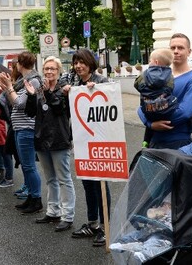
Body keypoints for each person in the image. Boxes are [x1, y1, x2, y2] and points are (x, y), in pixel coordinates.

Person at [64, 49, 110, 247]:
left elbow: (110, 107)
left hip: (100, 140)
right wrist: (66, 94)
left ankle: (105, 226)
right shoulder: (74, 84)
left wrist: (98, 92)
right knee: (87, 182)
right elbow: (70, 112)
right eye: (76, 63)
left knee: (101, 183)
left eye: (82, 62)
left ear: (90, 63)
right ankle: (92, 223)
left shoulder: (102, 81)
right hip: (81, 140)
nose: (78, 66)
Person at [26, 56, 76, 232]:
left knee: (64, 178)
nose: (48, 72)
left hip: (59, 138)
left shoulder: (64, 89)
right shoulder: (39, 89)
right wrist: (32, 96)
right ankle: (52, 211)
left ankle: (67, 215)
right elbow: (30, 112)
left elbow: (60, 109)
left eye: (52, 69)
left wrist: (47, 93)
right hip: (42, 138)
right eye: (46, 69)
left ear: (59, 71)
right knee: (50, 179)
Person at [0, 52, 43, 215]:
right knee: (25, 165)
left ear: (20, 64)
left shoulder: (33, 80)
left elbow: (19, 103)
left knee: (29, 166)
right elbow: (13, 102)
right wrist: (7, 88)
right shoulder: (24, 81)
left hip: (26, 128)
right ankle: (31, 196)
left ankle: (36, 198)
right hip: (19, 127)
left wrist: (8, 87)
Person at [137, 33, 192, 150]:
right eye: (173, 48)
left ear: (189, 51)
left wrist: (156, 121)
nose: (176, 51)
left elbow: (185, 112)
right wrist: (151, 124)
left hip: (178, 143)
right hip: (154, 142)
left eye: (181, 48)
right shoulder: (155, 77)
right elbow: (142, 106)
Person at [134, 48, 177, 148]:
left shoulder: (144, 74)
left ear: (156, 62)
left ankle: (145, 141)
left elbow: (137, 84)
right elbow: (171, 88)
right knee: (191, 115)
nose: (149, 62)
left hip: (148, 109)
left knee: (149, 115)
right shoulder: (170, 76)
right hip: (165, 109)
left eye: (150, 60)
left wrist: (146, 93)